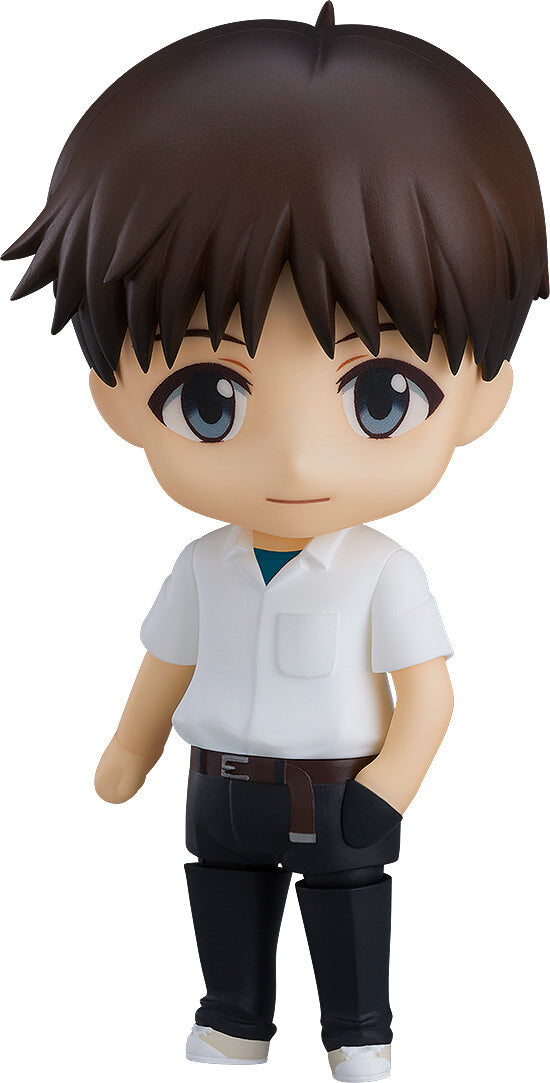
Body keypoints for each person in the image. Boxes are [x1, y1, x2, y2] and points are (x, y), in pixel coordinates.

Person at [3, 4, 547, 1080]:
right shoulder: (201, 566)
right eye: (210, 399)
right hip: (222, 786)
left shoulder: (384, 573)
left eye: (382, 396)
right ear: (115, 398)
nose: (295, 460)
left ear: (483, 397)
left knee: (349, 915)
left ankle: (359, 1034)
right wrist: (131, 747)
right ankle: (232, 1022)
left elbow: (429, 694)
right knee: (224, 905)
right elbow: (165, 663)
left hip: (342, 789)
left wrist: (390, 787)